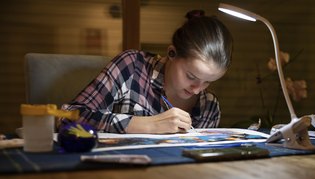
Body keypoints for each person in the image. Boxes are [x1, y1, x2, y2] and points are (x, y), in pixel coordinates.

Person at [61, 9, 233, 134]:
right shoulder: (132, 66)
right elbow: (68, 117)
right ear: (172, 53)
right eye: (191, 76)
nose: (197, 89)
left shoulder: (209, 106)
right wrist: (147, 125)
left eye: (207, 81)